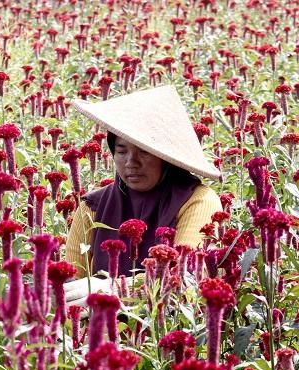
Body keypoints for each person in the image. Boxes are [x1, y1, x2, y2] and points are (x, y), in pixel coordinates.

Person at [63, 85, 223, 306]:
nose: (131, 162)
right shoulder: (93, 207)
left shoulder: (198, 201)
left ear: (166, 157)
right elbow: (72, 282)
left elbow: (188, 277)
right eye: (121, 151)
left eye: (144, 151)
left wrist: (114, 289)